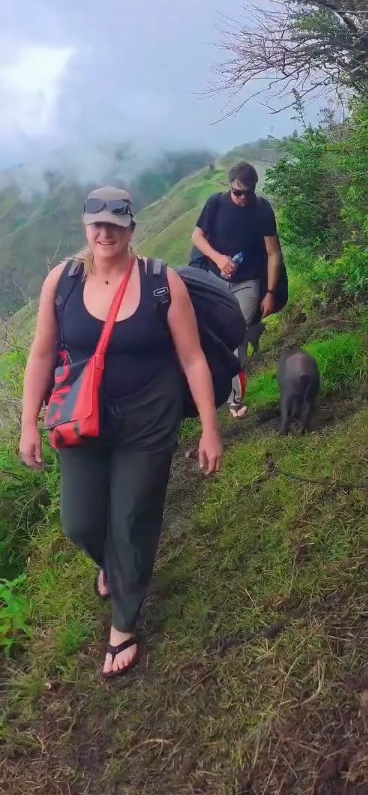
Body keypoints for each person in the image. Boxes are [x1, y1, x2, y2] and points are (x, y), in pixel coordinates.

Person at [19, 186, 222, 678]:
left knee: (132, 515)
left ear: (132, 227)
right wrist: (27, 422)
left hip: (150, 417)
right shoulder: (62, 281)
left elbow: (192, 358)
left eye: (115, 223)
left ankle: (124, 624)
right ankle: (110, 564)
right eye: (97, 224)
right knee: (81, 521)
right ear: (86, 228)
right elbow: (42, 355)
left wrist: (210, 429)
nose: (105, 232)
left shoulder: (159, 282)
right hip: (82, 418)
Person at [191, 162, 282, 417]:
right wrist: (219, 259)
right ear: (230, 186)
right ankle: (206, 391)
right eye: (237, 192)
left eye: (247, 193)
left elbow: (273, 253)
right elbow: (196, 237)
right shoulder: (216, 204)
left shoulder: (262, 209)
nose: (242, 198)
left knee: (237, 337)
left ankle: (234, 399)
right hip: (214, 279)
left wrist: (270, 292)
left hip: (248, 282)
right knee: (209, 334)